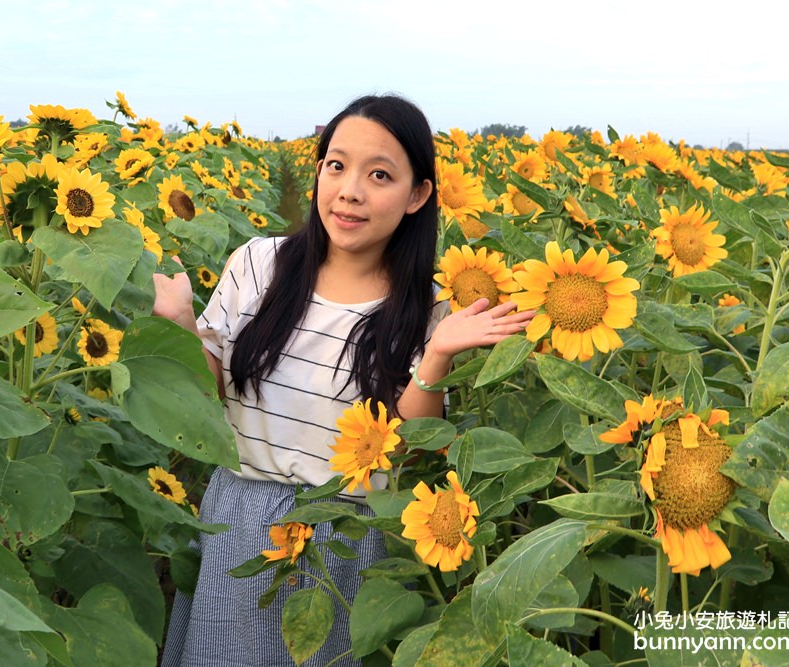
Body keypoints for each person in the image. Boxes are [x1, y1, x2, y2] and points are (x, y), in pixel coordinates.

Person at [153, 94, 535, 667]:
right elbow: (209, 396)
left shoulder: (427, 310)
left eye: (379, 174)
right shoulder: (258, 264)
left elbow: (405, 453)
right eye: (336, 165)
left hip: (349, 535)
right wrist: (183, 324)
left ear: (418, 195)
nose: (350, 190)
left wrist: (436, 358)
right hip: (239, 518)